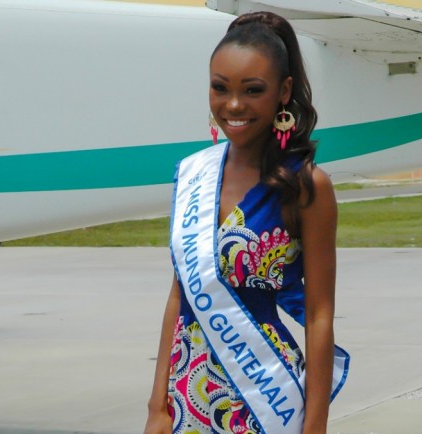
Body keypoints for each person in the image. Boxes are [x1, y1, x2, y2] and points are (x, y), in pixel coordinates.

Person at [144, 11, 349, 434]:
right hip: (187, 392)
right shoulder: (194, 174)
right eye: (220, 88)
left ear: (283, 91)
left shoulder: (307, 187)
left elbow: (319, 314)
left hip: (265, 396)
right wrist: (157, 406)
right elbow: (178, 296)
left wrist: (315, 426)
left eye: (252, 90)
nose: (233, 105)